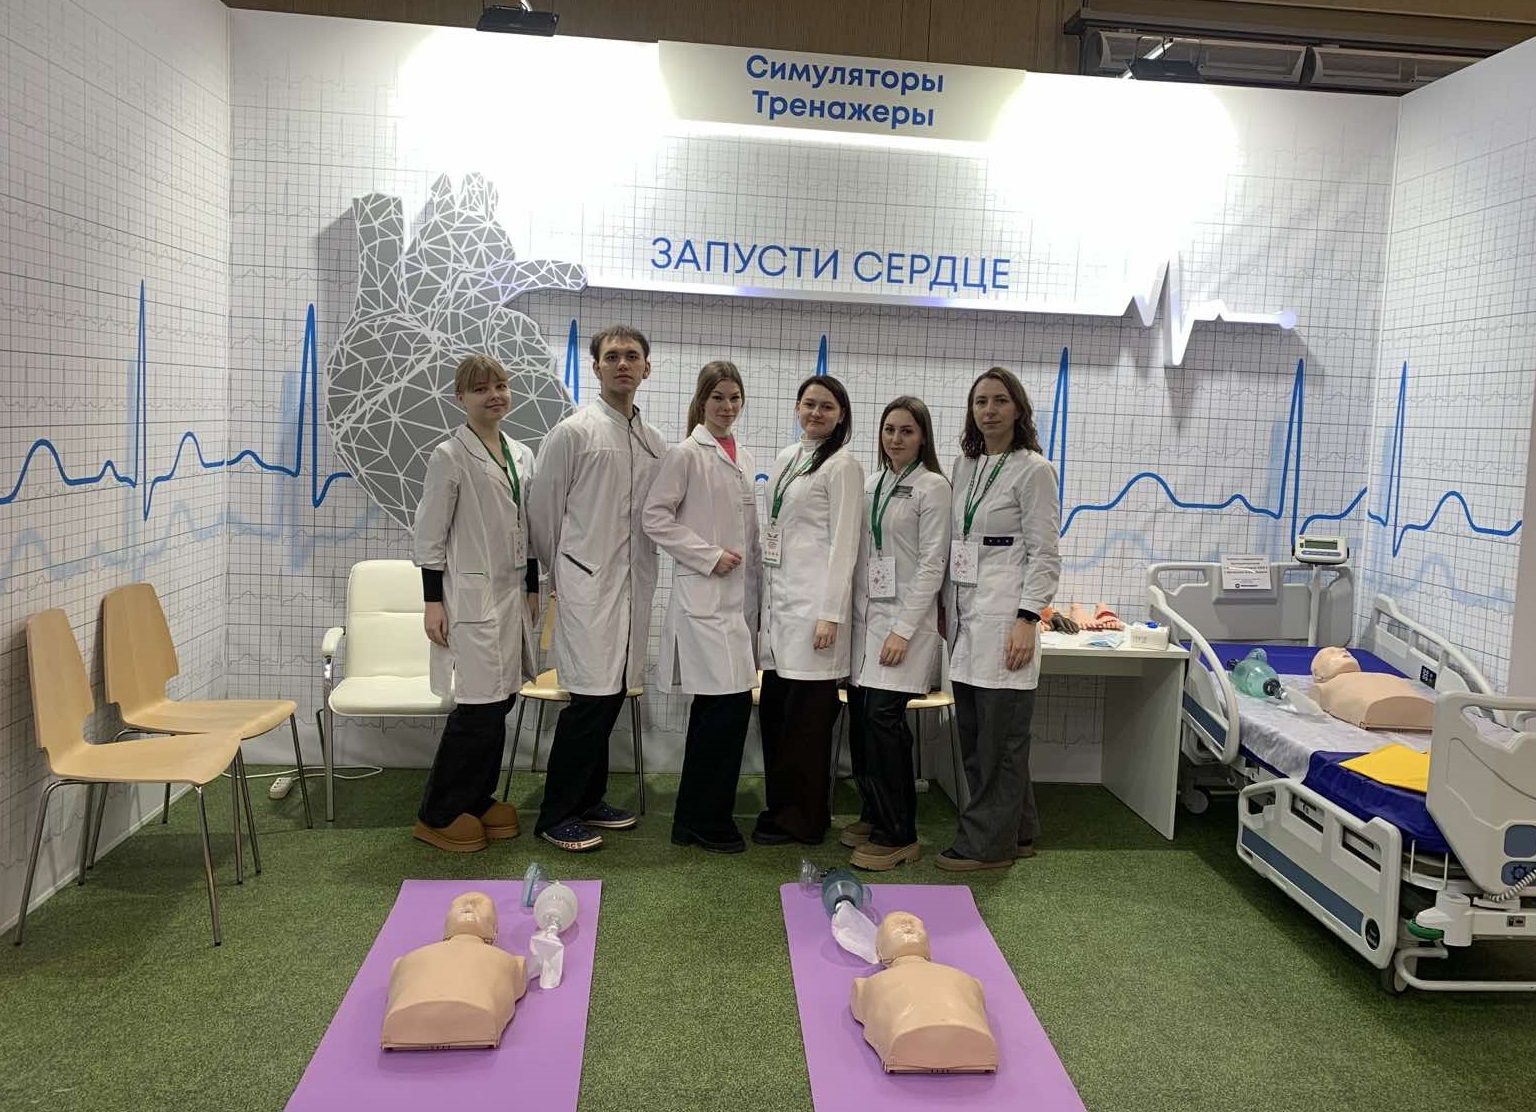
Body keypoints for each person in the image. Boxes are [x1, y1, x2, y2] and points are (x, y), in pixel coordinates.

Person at [527, 326, 667, 852]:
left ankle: (589, 800)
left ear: (646, 368)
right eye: (612, 357)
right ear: (596, 368)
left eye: (632, 356)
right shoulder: (574, 433)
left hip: (633, 587)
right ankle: (555, 814)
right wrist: (566, 572)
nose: (622, 364)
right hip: (586, 586)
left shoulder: (653, 441)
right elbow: (543, 515)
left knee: (611, 696)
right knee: (589, 699)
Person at [411, 354, 539, 853]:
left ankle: (478, 799)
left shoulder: (521, 454)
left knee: (503, 699)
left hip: (511, 594)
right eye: (481, 388)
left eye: (500, 385)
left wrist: (533, 586)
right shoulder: (450, 455)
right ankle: (438, 813)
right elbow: (430, 535)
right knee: (477, 706)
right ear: (459, 398)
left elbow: (528, 527)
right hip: (468, 598)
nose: (494, 395)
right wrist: (432, 602)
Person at [937, 366, 1060, 872]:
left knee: (1000, 742)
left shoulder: (1034, 470)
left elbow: (1045, 553)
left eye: (1000, 401)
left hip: (1008, 618)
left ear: (1018, 409)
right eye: (981, 402)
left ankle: (987, 846)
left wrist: (1028, 618)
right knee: (976, 734)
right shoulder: (965, 466)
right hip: (967, 619)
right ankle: (1020, 831)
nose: (989, 410)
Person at [642, 362, 762, 854]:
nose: (727, 407)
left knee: (726, 712)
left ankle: (698, 818)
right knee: (720, 712)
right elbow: (654, 517)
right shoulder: (685, 454)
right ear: (702, 401)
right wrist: (708, 555)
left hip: (735, 604)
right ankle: (703, 820)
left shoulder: (743, 456)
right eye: (718, 398)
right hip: (704, 600)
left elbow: (750, 533)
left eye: (734, 398)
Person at [754, 374, 863, 847]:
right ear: (798, 408)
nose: (816, 413)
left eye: (827, 407)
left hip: (815, 615)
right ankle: (780, 810)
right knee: (777, 717)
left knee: (806, 727)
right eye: (809, 404)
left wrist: (831, 613)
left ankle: (806, 820)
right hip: (781, 609)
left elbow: (844, 545)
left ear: (841, 416)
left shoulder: (843, 466)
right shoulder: (787, 458)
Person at [845, 397, 952, 871]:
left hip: (906, 624)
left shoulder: (933, 487)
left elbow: (933, 564)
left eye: (906, 431)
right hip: (868, 623)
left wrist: (903, 631)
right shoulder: (872, 484)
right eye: (889, 429)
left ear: (922, 436)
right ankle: (874, 813)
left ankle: (899, 833)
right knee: (863, 720)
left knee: (884, 721)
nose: (895, 438)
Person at [848, 910, 997, 1073]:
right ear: (879, 951)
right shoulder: (867, 985)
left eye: (915, 924)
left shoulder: (968, 980)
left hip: (909, 1047)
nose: (907, 926)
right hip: (971, 1046)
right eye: (895, 926)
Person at [381, 891, 527, 1050]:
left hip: (402, 1024)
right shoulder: (513, 962)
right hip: (478, 1024)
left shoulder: (403, 962)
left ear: (494, 931)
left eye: (478, 905)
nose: (469, 906)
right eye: (461, 905)